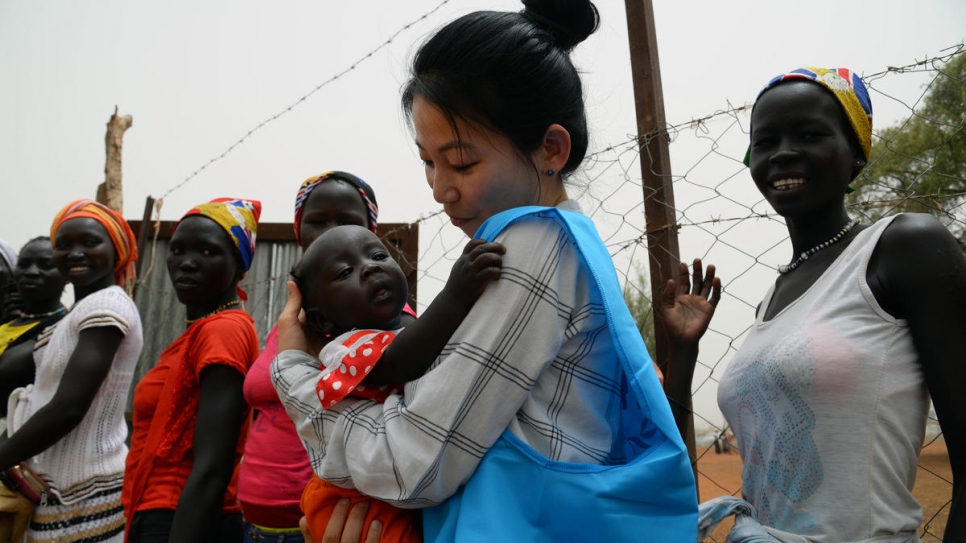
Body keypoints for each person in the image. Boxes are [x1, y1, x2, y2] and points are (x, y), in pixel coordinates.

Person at [275, 1, 698, 541]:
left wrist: (296, 376)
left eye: (463, 163)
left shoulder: (529, 247)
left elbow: (411, 465)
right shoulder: (562, 241)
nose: (439, 189)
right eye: (428, 161)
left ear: (550, 148)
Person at [665, 68, 966, 542]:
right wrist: (683, 351)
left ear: (857, 156)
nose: (783, 152)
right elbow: (670, 464)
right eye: (765, 142)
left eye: (809, 134)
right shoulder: (773, 298)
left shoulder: (902, 248)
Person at [276, 224, 502, 543]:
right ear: (323, 320)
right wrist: (456, 293)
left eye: (378, 255)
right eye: (345, 272)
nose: (369, 267)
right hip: (353, 502)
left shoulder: (408, 335)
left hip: (385, 492)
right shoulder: (349, 346)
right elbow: (400, 362)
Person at [238, 171, 408, 543]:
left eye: (347, 222)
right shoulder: (299, 320)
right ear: (300, 230)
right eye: (318, 221)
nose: (330, 230)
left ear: (370, 230)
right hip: (264, 521)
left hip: (346, 518)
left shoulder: (383, 317)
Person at [0, 199, 142, 542]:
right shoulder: (75, 314)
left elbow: (69, 407)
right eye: (63, 245)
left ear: (117, 249)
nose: (75, 253)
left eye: (90, 242)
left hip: (84, 495)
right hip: (60, 491)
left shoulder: (107, 305)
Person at [122, 198, 261, 543]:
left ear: (238, 265)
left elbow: (213, 465)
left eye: (207, 252)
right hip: (162, 516)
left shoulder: (223, 331)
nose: (186, 263)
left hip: (182, 520)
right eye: (177, 250)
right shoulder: (200, 332)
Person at [0, 237, 69, 420]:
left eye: (46, 265)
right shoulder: (7, 322)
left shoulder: (61, 330)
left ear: (67, 275)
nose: (31, 272)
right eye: (23, 264)